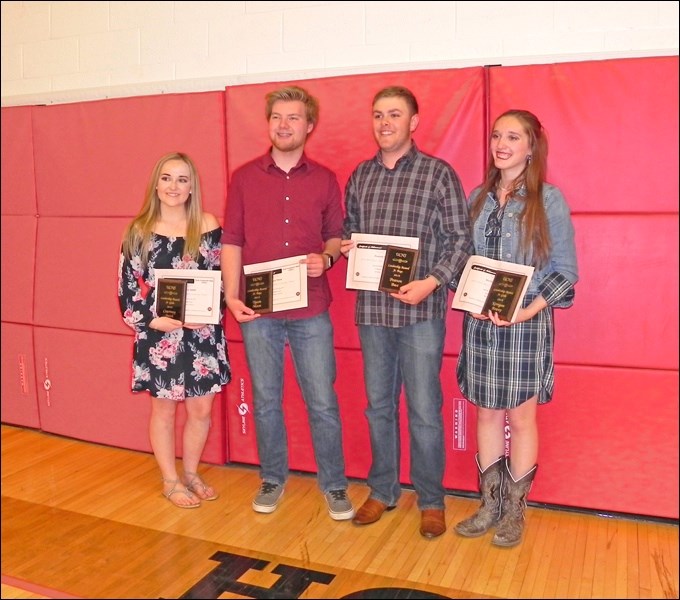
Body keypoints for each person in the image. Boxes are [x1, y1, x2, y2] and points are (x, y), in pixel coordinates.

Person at [341, 86, 473, 539]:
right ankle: (382, 489)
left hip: (422, 313)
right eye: (378, 115)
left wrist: (432, 282)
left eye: (394, 115)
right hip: (373, 310)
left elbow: (460, 239)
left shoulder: (439, 174)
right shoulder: (360, 175)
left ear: (414, 122)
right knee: (378, 407)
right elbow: (349, 231)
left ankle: (431, 500)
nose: (384, 123)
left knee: (424, 409)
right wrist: (346, 246)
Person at [221, 85, 354, 521]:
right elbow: (232, 242)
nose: (284, 124)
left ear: (309, 126)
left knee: (322, 401)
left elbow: (336, 235)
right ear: (269, 123)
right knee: (265, 400)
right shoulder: (243, 178)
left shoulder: (325, 179)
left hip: (310, 308)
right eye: (277, 116)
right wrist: (231, 296)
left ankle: (334, 485)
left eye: (293, 117)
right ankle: (272, 477)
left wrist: (328, 257)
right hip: (258, 312)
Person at [453, 109, 578, 547]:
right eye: (496, 136)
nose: (501, 144)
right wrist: (467, 297)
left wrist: (527, 310)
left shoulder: (549, 199)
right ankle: (489, 504)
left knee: (522, 419)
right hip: (482, 326)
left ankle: (515, 512)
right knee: (486, 413)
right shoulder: (477, 197)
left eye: (512, 137)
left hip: (525, 326)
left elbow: (565, 271)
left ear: (531, 146)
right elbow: (463, 262)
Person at [118, 151, 231, 509]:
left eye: (182, 179)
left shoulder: (209, 226)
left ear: (192, 187)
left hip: (201, 337)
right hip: (159, 337)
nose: (173, 186)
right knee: (164, 412)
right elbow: (126, 289)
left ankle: (192, 473)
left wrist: (209, 312)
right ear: (156, 183)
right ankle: (171, 480)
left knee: (201, 411)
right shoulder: (138, 231)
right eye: (167, 178)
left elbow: (223, 280)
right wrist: (151, 320)